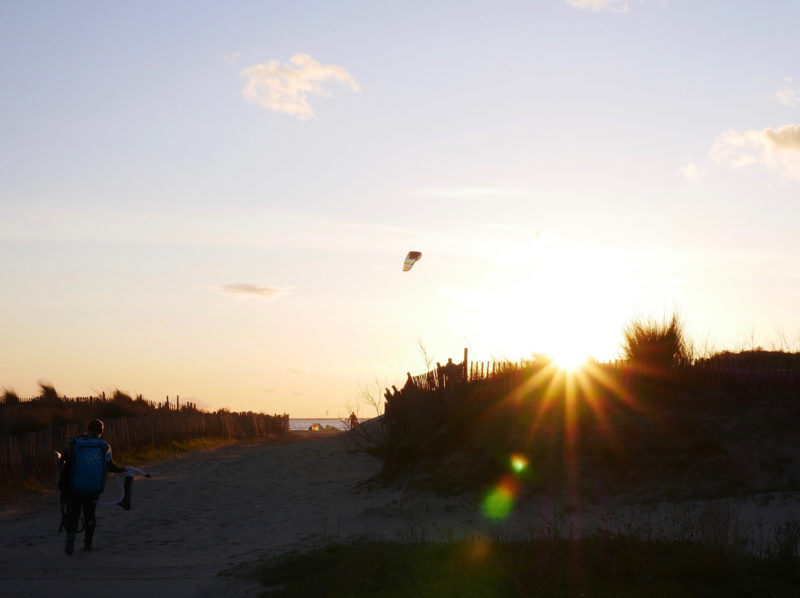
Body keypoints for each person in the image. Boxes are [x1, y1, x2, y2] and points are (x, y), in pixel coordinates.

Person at [58, 419, 126, 554]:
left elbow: (63, 462)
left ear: (87, 429)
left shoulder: (74, 443)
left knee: (74, 513)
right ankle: (88, 544)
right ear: (101, 431)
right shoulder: (104, 446)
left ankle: (71, 534)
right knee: (90, 514)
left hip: (75, 486)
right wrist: (122, 470)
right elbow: (110, 466)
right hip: (94, 487)